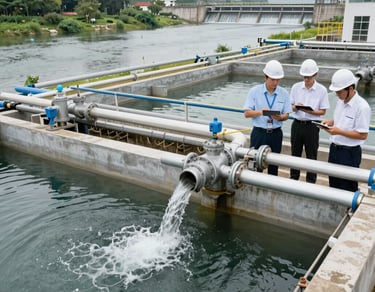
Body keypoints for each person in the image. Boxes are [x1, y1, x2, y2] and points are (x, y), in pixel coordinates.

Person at [321, 68, 371, 192]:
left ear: (350, 88)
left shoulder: (362, 107)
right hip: (334, 150)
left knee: (347, 186)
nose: (337, 94)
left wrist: (338, 131)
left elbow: (363, 135)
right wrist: (330, 123)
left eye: (339, 91)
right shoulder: (341, 101)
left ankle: (347, 210)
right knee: (334, 184)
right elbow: (340, 119)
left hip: (349, 154)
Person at [243, 60, 292, 176]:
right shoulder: (254, 92)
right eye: (272, 79)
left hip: (275, 134)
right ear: (265, 77)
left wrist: (280, 117)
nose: (275, 82)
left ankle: (271, 187)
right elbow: (247, 113)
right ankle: (255, 185)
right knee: (255, 163)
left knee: (274, 165)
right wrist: (261, 112)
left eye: (278, 80)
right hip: (259, 133)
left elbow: (287, 115)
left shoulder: (284, 93)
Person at [289, 59, 330, 183]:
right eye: (305, 77)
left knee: (311, 155)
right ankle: (293, 179)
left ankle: (311, 182)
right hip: (297, 124)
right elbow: (289, 107)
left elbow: (323, 111)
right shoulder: (296, 87)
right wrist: (296, 107)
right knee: (295, 153)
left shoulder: (321, 90)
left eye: (309, 77)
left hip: (312, 126)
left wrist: (309, 112)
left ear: (315, 75)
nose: (306, 79)